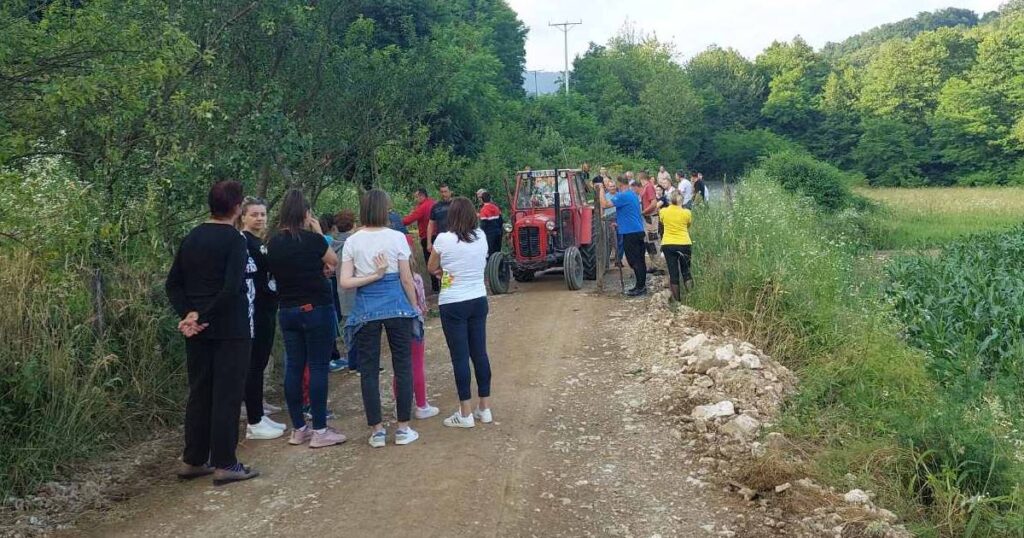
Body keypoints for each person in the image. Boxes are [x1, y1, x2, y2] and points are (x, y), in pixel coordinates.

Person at [165, 180, 258, 485]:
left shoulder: (191, 237)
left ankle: (193, 458)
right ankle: (225, 462)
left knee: (201, 392)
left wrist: (189, 315)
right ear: (237, 207)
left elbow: (173, 284)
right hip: (230, 328)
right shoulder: (235, 240)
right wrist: (202, 316)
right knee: (227, 395)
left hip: (197, 331)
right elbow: (232, 288)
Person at [266, 189, 347, 449]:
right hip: (315, 308)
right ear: (305, 213)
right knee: (318, 366)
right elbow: (333, 261)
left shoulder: (274, 242)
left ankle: (299, 428)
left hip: (287, 309)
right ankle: (321, 429)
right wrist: (314, 231)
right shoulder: (312, 240)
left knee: (294, 367)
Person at [341, 189, 421, 448]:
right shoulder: (397, 237)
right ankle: (403, 428)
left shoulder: (353, 241)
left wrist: (372, 276)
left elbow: (344, 282)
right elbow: (406, 278)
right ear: (384, 210)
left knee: (369, 369)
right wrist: (415, 306)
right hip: (396, 305)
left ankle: (377, 431)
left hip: (365, 308)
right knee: (403, 365)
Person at [427, 197, 493, 428]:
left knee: (460, 357)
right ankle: (484, 408)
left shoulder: (444, 239)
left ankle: (464, 412)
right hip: (478, 298)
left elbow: (431, 267)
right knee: (480, 353)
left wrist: (444, 272)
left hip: (453, 301)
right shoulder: (481, 236)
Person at [239, 197, 286, 441]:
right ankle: (254, 421)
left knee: (260, 362)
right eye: (254, 214)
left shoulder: (260, 242)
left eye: (262, 214)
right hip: (254, 311)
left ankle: (259, 413)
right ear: (243, 216)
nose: (259, 218)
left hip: (267, 307)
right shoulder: (243, 243)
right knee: (254, 365)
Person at [391, 252, 440, 420]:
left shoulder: (391, 281)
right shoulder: (416, 278)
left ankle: (400, 406)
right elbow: (422, 303)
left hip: (396, 320)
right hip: (414, 320)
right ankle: (421, 405)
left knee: (400, 365)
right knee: (417, 365)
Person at [599, 177, 647, 296]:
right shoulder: (632, 195)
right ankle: (640, 285)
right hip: (637, 230)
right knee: (640, 260)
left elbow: (604, 204)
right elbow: (629, 212)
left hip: (630, 233)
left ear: (620, 184)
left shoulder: (623, 196)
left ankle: (641, 287)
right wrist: (619, 223)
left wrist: (600, 189)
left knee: (634, 261)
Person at [331, 210, 358, 373]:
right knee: (360, 327)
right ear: (353, 225)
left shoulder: (332, 245)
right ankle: (358, 361)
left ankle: (351, 360)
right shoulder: (354, 243)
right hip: (357, 288)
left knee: (347, 326)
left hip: (340, 290)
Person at [659, 191, 694, 303]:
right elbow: (688, 225)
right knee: (686, 272)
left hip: (668, 244)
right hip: (684, 243)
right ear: (681, 200)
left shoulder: (663, 211)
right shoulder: (687, 213)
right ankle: (691, 296)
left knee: (673, 274)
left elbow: (662, 223)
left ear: (670, 200)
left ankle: (678, 302)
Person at [402, 188, 437, 291]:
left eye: (417, 197)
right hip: (438, 236)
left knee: (430, 263)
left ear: (422, 196)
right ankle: (446, 286)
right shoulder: (434, 203)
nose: (416, 199)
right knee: (441, 262)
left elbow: (410, 219)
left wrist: (397, 222)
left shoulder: (423, 207)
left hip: (427, 237)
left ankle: (436, 288)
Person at [426, 183, 453, 257]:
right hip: (441, 240)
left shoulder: (457, 205)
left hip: (455, 240)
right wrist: (429, 242)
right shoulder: (436, 207)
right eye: (442, 192)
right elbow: (430, 224)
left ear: (451, 192)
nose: (444, 194)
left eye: (445, 191)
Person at [639, 172, 661, 260]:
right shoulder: (646, 187)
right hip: (647, 217)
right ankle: (654, 263)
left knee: (653, 241)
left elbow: (653, 203)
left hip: (651, 217)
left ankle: (658, 264)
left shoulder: (649, 187)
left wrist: (643, 212)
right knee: (648, 241)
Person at [478, 191, 503, 257]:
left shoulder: (483, 210)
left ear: (482, 200)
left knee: (490, 253)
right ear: (490, 198)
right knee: (498, 252)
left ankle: (491, 266)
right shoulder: (496, 208)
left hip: (489, 235)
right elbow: (501, 221)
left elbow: (483, 224)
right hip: (498, 233)